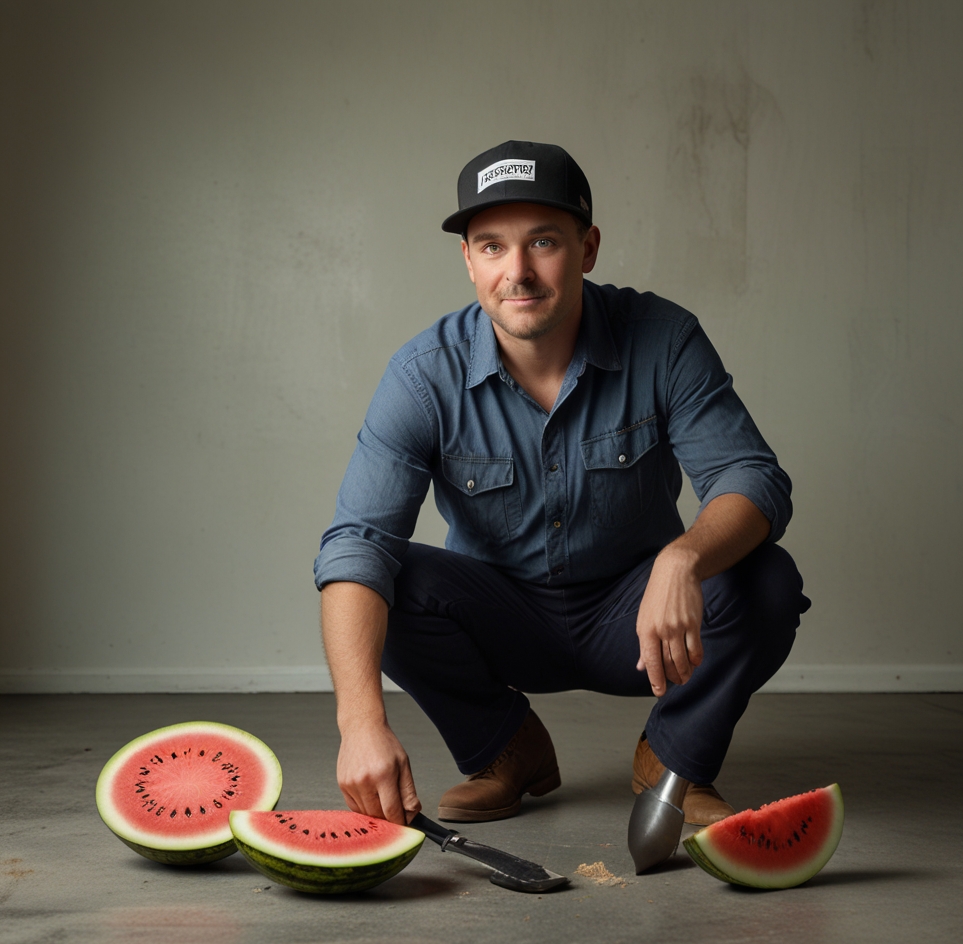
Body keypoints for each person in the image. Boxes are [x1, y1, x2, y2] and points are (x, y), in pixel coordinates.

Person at [314, 140, 810, 829]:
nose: (517, 272)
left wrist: (683, 558)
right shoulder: (422, 374)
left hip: (640, 624)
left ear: (588, 248)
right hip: (503, 619)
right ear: (468, 260)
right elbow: (356, 542)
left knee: (768, 582)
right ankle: (505, 749)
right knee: (385, 580)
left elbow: (751, 475)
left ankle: (673, 758)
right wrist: (360, 723)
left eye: (543, 242)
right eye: (492, 247)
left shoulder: (664, 339)